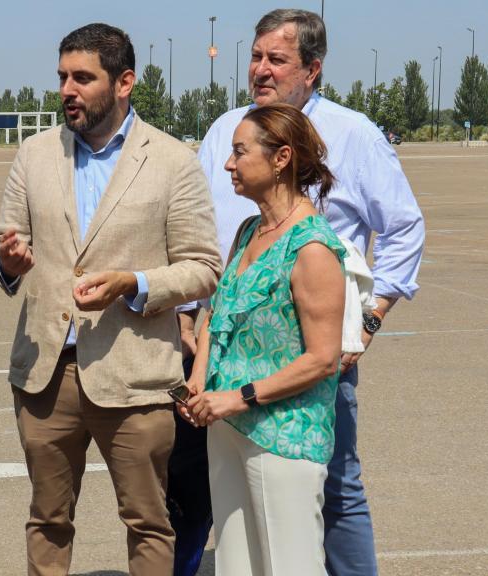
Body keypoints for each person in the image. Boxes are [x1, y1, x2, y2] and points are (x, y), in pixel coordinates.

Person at [185, 8, 426, 576]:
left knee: (334, 493)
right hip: (224, 364)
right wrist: (193, 329)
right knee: (233, 523)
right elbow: (200, 228)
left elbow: (404, 228)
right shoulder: (228, 127)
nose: (261, 70)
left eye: (277, 59)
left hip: (305, 363)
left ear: (312, 69)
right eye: (256, 56)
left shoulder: (352, 135)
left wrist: (368, 319)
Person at [0, 23, 221, 576]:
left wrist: (134, 285)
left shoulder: (171, 160)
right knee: (47, 519)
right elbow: (2, 244)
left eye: (83, 78)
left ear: (124, 83)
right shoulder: (34, 154)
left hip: (134, 375)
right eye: (62, 77)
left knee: (148, 521)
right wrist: (8, 264)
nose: (67, 89)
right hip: (46, 375)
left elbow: (204, 267)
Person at [178, 103, 346, 575]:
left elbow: (321, 358)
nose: (228, 164)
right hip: (227, 427)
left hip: (283, 437)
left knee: (288, 565)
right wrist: (198, 375)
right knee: (236, 564)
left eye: (238, 152)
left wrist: (239, 397)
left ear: (281, 158)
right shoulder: (250, 231)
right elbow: (218, 309)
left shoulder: (312, 249)